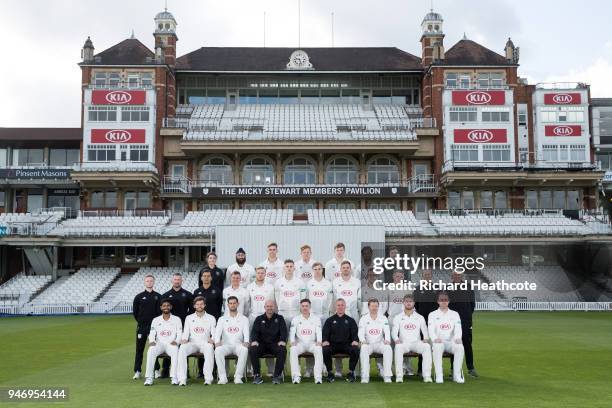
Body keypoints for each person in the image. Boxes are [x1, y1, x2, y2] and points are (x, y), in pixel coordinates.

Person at [392, 294, 432, 383]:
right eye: (407, 301)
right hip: (404, 343)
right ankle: (399, 376)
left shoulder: (420, 317)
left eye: (410, 301)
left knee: (427, 347)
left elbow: (425, 330)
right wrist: (396, 339)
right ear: (403, 303)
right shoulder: (398, 317)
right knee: (398, 347)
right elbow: (394, 331)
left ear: (414, 303)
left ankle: (427, 376)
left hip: (416, 343)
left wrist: (426, 338)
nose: (409, 303)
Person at [177, 296, 216, 386]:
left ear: (204, 305)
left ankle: (208, 378)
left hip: (205, 342)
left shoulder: (211, 318)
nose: (199, 306)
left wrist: (213, 339)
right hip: (192, 343)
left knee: (210, 348)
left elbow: (214, 332)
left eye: (201, 304)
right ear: (194, 306)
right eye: (197, 304)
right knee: (182, 348)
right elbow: (186, 331)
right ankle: (182, 379)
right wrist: (184, 339)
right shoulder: (189, 318)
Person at [331, 260, 361, 377]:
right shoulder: (335, 282)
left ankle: (355, 369)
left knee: (354, 341)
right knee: (337, 339)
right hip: (338, 313)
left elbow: (359, 300)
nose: (345, 269)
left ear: (350, 269)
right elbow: (333, 299)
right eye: (343, 267)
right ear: (340, 269)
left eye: (347, 267)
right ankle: (338, 370)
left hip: (353, 314)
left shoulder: (357, 282)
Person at [161, 273, 193, 378]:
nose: (177, 281)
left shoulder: (187, 294)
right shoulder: (166, 295)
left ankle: (185, 371)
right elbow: (162, 311)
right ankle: (165, 371)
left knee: (183, 348)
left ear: (181, 281)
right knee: (168, 345)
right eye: (175, 279)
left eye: (179, 279)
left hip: (183, 325)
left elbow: (192, 310)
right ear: (172, 281)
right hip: (169, 326)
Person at [429, 291, 465, 384]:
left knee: (460, 347)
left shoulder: (455, 314)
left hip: (451, 342)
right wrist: (434, 338)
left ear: (448, 301)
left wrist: (457, 338)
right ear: (438, 301)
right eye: (441, 300)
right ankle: (439, 375)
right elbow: (431, 330)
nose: (444, 302)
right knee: (437, 347)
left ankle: (456, 375)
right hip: (438, 341)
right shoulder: (432, 314)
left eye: (445, 300)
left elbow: (458, 328)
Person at [144, 299, 182, 386]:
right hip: (159, 343)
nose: (166, 307)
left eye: (168, 305)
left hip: (171, 343)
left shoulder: (177, 319)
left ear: (171, 307)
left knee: (175, 350)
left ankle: (174, 377)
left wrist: (176, 341)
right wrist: (152, 341)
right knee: (151, 350)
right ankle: (149, 378)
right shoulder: (156, 320)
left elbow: (180, 333)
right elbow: (152, 332)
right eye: (164, 306)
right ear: (161, 307)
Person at [249, 300, 288, 384]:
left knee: (282, 349)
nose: (269, 308)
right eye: (268, 306)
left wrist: (282, 340)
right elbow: (254, 332)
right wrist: (254, 341)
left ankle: (277, 376)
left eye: (271, 306)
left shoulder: (280, 318)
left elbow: (284, 331)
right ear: (264, 307)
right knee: (252, 349)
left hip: (275, 344)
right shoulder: (259, 319)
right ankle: (257, 376)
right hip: (262, 344)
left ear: (274, 307)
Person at [214, 296, 250, 384]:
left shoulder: (244, 319)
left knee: (244, 350)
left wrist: (246, 342)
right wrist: (217, 342)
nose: (232, 305)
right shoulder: (222, 319)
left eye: (234, 303)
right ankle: (223, 377)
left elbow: (246, 333)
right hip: (226, 345)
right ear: (228, 305)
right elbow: (217, 333)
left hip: (238, 345)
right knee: (218, 350)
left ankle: (238, 377)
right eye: (230, 303)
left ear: (237, 304)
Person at [322, 299, 359, 383]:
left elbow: (355, 334)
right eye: (338, 305)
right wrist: (325, 340)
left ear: (345, 306)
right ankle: (330, 373)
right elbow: (325, 333)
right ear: (335, 306)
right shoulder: (329, 320)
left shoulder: (350, 320)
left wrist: (355, 340)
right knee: (325, 349)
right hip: (333, 345)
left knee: (355, 349)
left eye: (342, 305)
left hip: (346, 345)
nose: (340, 307)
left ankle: (351, 372)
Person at [449, 271, 478, 378]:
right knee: (454, 344)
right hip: (452, 321)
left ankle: (470, 368)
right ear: (452, 276)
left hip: (466, 321)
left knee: (467, 344)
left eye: (459, 275)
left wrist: (467, 316)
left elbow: (472, 305)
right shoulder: (448, 288)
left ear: (462, 276)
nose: (457, 277)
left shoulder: (468, 287)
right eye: (455, 275)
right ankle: (453, 369)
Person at [132, 274, 161, 380]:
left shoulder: (158, 296)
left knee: (155, 349)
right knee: (139, 350)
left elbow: (159, 313)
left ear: (154, 282)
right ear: (145, 282)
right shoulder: (139, 297)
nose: (149, 282)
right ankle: (137, 371)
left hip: (154, 329)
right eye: (147, 281)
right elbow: (135, 313)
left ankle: (157, 370)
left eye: (151, 281)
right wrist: (141, 322)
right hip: (142, 327)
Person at [289, 299, 323, 384]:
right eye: (303, 306)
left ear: (310, 307)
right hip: (300, 344)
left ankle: (318, 377)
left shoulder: (316, 319)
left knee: (319, 349)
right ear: (300, 307)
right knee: (293, 349)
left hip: (312, 343)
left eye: (306, 306)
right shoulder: (295, 319)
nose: (305, 308)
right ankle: (296, 376)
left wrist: (319, 341)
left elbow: (319, 331)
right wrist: (292, 341)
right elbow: (292, 332)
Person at [358, 299, 393, 383]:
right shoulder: (363, 318)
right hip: (368, 343)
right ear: (368, 307)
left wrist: (387, 340)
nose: (374, 308)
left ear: (378, 307)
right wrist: (362, 340)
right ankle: (365, 376)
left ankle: (387, 375)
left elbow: (387, 331)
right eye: (372, 306)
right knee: (364, 349)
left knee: (388, 348)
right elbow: (360, 332)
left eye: (376, 306)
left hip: (380, 343)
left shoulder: (383, 318)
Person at [414, 268, 437, 376]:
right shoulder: (418, 289)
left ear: (431, 276)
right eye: (425, 274)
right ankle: (420, 369)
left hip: (434, 323)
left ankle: (433, 369)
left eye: (429, 274)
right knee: (423, 345)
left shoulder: (437, 289)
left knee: (435, 345)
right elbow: (416, 306)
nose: (427, 276)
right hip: (422, 322)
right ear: (422, 276)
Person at [275, 259, 307, 329]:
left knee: (295, 334)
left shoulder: (300, 282)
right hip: (283, 313)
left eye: (291, 266)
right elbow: (277, 297)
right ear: (284, 268)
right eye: (287, 266)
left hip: (296, 313)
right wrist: (280, 306)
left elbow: (303, 297)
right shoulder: (278, 282)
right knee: (284, 334)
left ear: (294, 268)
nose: (289, 268)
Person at [307, 262, 333, 327]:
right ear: (312, 271)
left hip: (325, 314)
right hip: (312, 314)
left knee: (325, 334)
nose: (317, 271)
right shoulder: (308, 283)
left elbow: (331, 298)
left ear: (322, 270)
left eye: (319, 269)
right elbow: (306, 298)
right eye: (315, 269)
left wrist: (328, 309)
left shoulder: (328, 283)